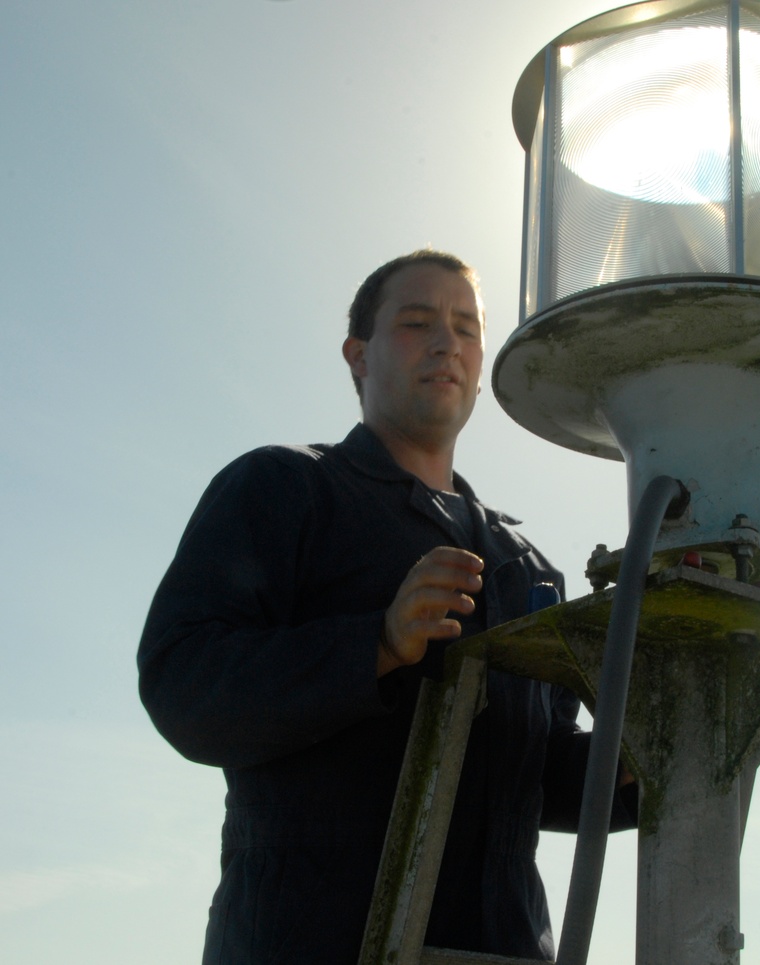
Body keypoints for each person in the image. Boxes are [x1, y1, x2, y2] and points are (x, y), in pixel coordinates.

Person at [137, 250, 637, 965]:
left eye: (467, 327)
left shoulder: (527, 564)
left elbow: (538, 777)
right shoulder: (285, 488)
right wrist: (373, 644)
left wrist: (645, 743)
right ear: (357, 355)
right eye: (416, 321)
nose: (446, 342)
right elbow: (181, 679)